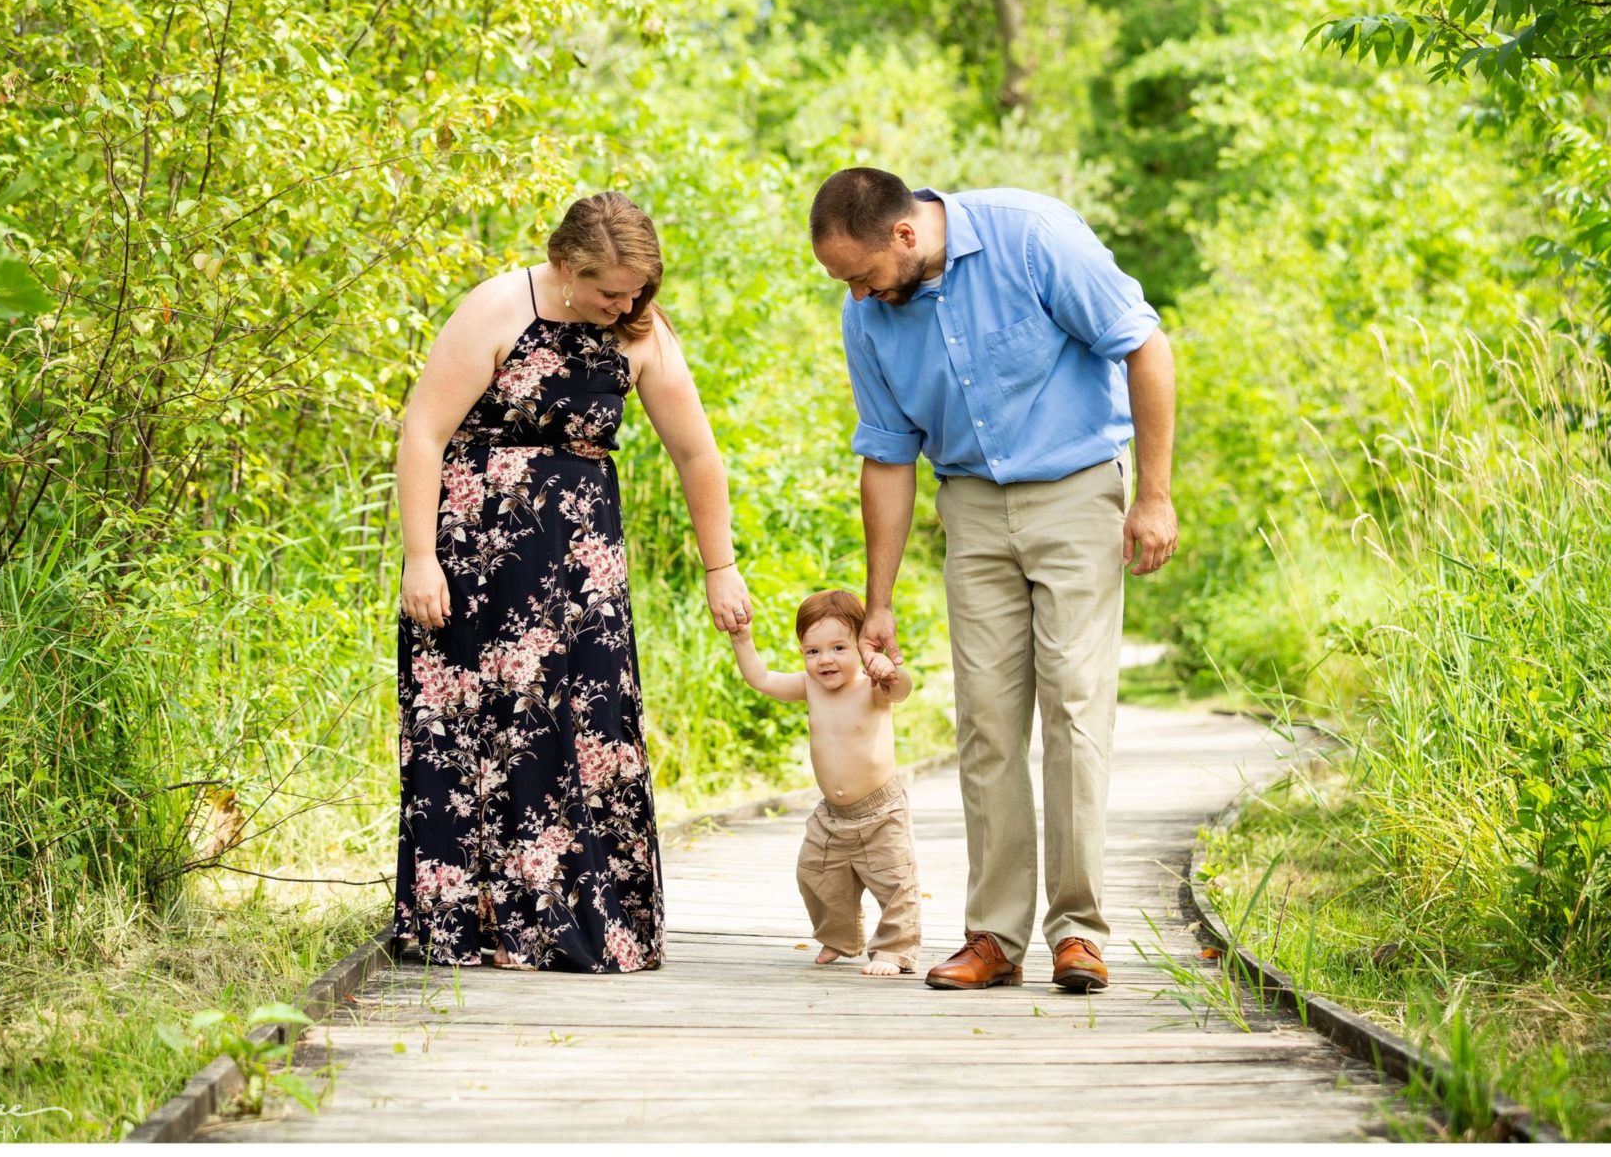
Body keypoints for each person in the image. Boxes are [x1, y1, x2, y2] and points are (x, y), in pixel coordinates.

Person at [809, 167, 1178, 994]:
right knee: (985, 719)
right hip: (971, 507)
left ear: (904, 235)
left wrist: (1152, 494)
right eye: (844, 283)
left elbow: (1143, 343)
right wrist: (879, 600)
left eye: (861, 275)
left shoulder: (1032, 236)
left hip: (1077, 488)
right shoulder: (866, 313)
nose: (858, 296)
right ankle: (996, 935)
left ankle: (1078, 932)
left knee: (1076, 708)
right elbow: (887, 451)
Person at [392, 190, 752, 973]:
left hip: (582, 569)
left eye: (637, 290)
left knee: (590, 729)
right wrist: (419, 556)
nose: (625, 303)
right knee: (478, 729)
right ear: (565, 266)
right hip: (475, 563)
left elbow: (698, 454)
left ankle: (586, 925)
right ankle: (479, 925)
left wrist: (719, 565)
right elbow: (424, 430)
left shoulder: (639, 329)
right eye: (609, 290)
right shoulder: (497, 309)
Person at [727, 588, 922, 977]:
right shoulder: (809, 686)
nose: (824, 660)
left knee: (896, 879)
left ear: (863, 647)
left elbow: (903, 689)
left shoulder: (872, 686)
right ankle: (839, 937)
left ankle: (894, 950)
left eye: (838, 648)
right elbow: (761, 679)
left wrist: (891, 670)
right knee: (815, 874)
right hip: (831, 815)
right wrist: (742, 639)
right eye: (812, 651)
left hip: (881, 810)